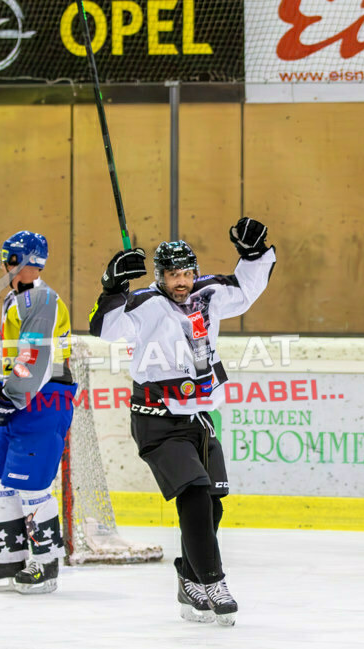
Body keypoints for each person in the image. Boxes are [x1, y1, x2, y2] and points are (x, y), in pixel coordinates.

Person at [89, 218, 276, 626]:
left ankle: (189, 578)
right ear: (160, 276)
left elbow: (246, 289)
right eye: (174, 275)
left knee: (212, 504)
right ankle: (214, 582)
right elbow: (104, 328)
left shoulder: (209, 293)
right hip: (156, 421)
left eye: (187, 273)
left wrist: (254, 254)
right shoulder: (143, 305)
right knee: (193, 492)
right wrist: (113, 286)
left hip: (199, 419)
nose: (182, 282)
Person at [0, 231, 77, 594]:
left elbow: (36, 358)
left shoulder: (42, 300)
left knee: (30, 484)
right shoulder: (15, 298)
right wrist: (1, 388)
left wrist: (8, 394)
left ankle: (45, 562)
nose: (4, 265)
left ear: (25, 262)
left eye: (9, 259)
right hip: (21, 397)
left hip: (43, 399)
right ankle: (10, 557)